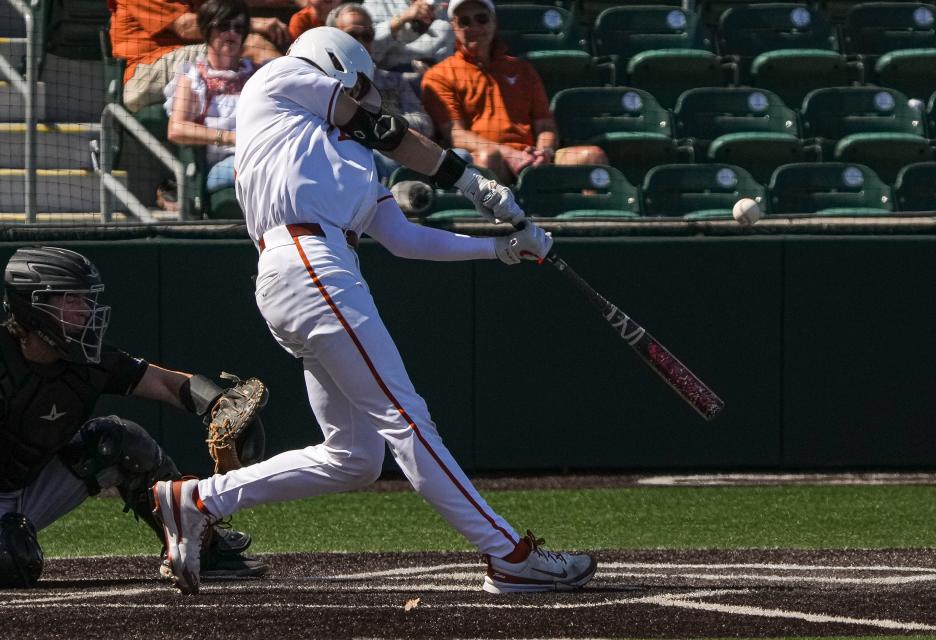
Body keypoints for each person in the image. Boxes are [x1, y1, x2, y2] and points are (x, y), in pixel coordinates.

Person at [150, 27, 597, 596]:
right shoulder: (280, 80)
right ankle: (509, 554)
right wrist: (475, 183)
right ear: (333, 65)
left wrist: (500, 249)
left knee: (354, 457)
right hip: (307, 260)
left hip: (318, 271)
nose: (365, 98)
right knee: (406, 419)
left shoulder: (351, 155)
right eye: (358, 86)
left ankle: (197, 499)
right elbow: (383, 129)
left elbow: (403, 237)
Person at [0, 247, 267, 588]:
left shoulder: (88, 359)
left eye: (86, 298)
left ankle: (202, 545)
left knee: (118, 441)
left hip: (25, 492)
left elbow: (165, 384)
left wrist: (217, 403)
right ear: (32, 306)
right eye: (71, 299)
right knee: (10, 559)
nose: (86, 310)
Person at [420, 0, 607, 184]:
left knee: (591, 157)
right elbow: (456, 135)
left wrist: (543, 152)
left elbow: (545, 126)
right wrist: (508, 153)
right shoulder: (439, 75)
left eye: (481, 19)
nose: (474, 26)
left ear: (494, 21)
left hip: (531, 156)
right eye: (465, 22)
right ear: (454, 26)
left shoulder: (521, 69)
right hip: (492, 159)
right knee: (487, 159)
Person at [111, 0, 291, 114]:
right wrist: (252, 24)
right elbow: (185, 26)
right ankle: (300, 96)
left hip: (183, 67)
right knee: (251, 44)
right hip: (143, 77)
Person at [328, 3, 435, 182]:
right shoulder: (325, 84)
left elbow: (426, 123)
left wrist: (385, 125)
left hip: (402, 148)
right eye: (352, 35)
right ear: (333, 39)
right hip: (355, 160)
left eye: (367, 36)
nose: (360, 43)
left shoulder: (393, 80)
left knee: (461, 157)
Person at [165, 0, 257, 194]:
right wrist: (231, 138)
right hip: (220, 166)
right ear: (207, 30)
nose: (232, 33)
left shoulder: (255, 75)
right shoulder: (193, 75)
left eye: (239, 28)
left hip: (258, 155)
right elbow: (176, 128)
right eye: (223, 26)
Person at [364, 0, 454, 72]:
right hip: (381, 80)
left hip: (425, 83)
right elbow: (367, 51)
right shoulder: (376, 3)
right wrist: (402, 18)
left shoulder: (446, 9)